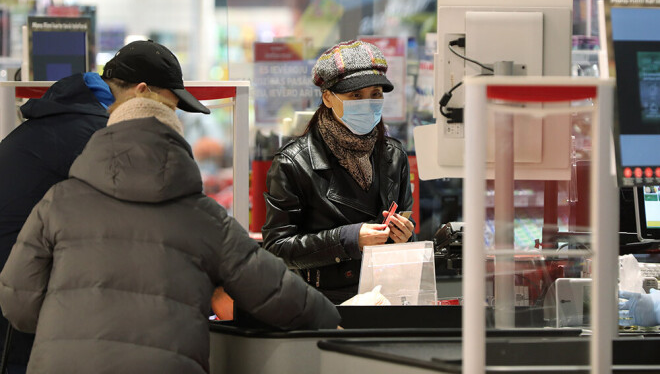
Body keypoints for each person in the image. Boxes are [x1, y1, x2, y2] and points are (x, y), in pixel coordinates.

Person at [0, 92, 340, 373]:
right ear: (175, 143)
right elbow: (272, 289)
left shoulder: (58, 202)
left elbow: (18, 302)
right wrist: (329, 319)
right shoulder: (202, 216)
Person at [0, 39, 209, 373]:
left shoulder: (71, 116)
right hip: (23, 314)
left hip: (23, 298)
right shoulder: (98, 135)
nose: (167, 119)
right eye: (168, 107)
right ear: (141, 92)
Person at [261, 39, 415, 304]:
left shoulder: (394, 156)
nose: (368, 103)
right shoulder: (293, 163)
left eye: (376, 94)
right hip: (320, 305)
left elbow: (407, 234)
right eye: (356, 95)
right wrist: (348, 239)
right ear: (328, 97)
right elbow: (277, 248)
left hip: (385, 300)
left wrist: (406, 238)